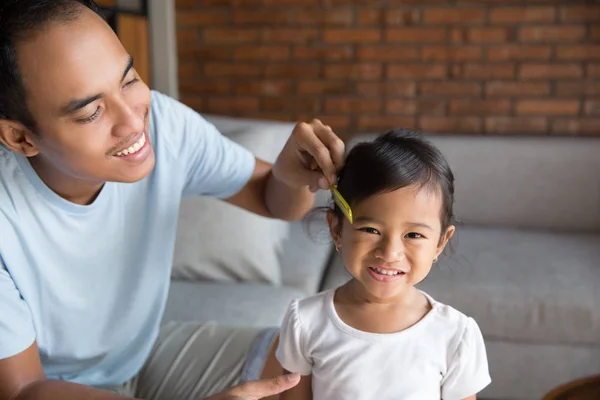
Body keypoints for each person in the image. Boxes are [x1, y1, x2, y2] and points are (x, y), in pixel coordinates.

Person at [0, 1, 345, 399]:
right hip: (51, 387)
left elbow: (274, 201)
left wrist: (288, 174)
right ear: (20, 138)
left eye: (128, 80)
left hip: (142, 358)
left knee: (323, 367)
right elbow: (25, 390)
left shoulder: (164, 125)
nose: (133, 122)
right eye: (92, 112)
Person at [274, 130, 492, 399]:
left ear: (440, 243)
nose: (390, 253)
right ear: (337, 230)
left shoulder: (456, 335)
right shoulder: (305, 321)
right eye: (370, 229)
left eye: (413, 235)